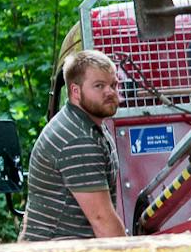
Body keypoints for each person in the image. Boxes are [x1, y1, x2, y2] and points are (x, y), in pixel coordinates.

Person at [20, 50, 126, 240]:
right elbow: (102, 220)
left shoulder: (90, 125)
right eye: (99, 86)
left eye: (113, 84)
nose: (110, 92)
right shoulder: (77, 138)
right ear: (75, 91)